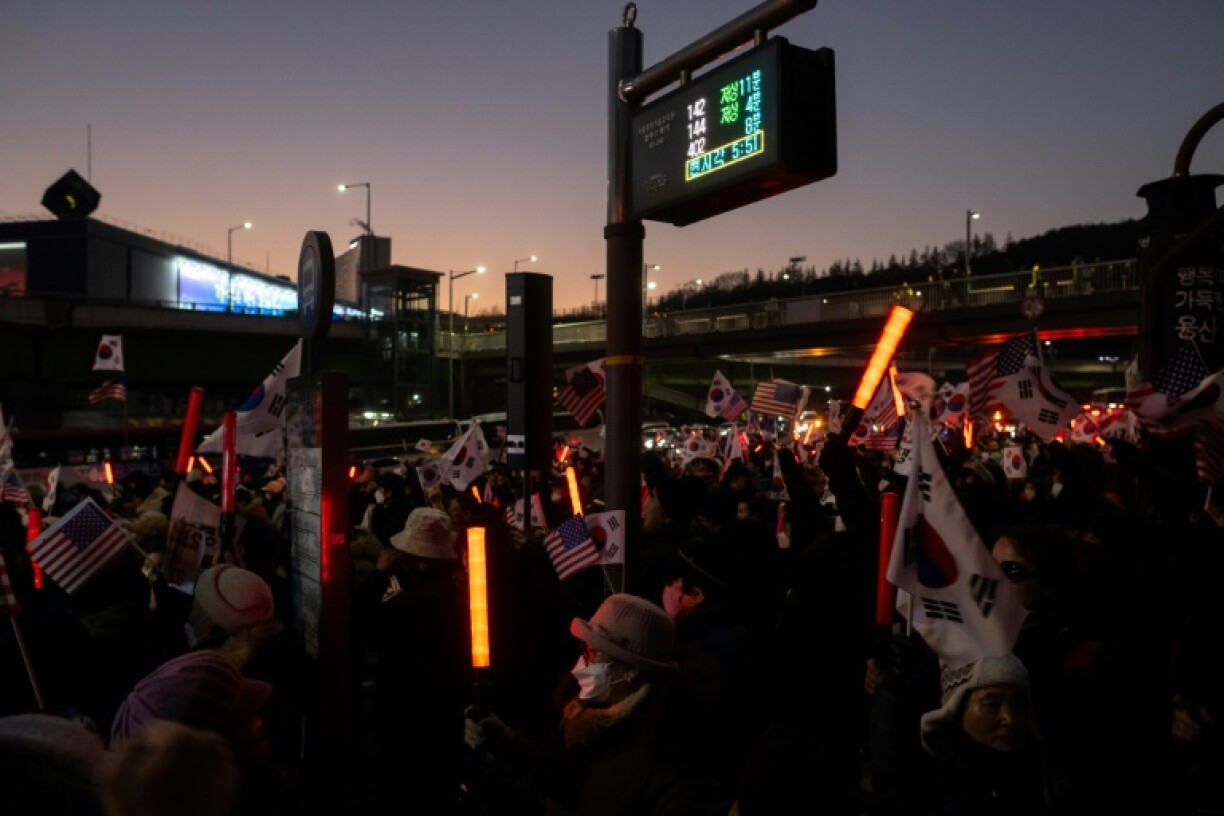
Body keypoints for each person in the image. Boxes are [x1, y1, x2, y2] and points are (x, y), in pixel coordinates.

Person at [463, 593, 729, 815]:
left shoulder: (669, 757)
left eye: (591, 653)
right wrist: (507, 745)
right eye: (582, 649)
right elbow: (554, 791)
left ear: (631, 671)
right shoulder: (584, 719)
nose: (580, 665)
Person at [919, 653, 1051, 815]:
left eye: (1018, 704)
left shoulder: (1044, 773)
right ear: (957, 711)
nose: (1009, 719)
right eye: (992, 705)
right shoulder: (927, 785)